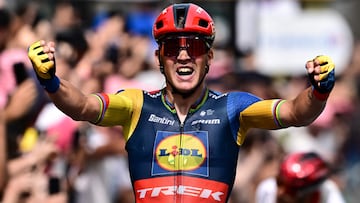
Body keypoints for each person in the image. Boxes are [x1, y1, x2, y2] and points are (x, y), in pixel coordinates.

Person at [27, 3, 335, 203]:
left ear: (209, 57)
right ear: (159, 58)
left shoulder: (233, 108)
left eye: (195, 46)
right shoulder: (136, 104)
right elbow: (81, 106)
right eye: (173, 47)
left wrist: (318, 90)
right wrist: (51, 80)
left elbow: (295, 112)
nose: (184, 55)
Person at [255, 151, 346, 203]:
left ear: (309, 194)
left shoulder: (330, 198)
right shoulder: (267, 190)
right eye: (279, 182)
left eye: (290, 190)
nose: (280, 192)